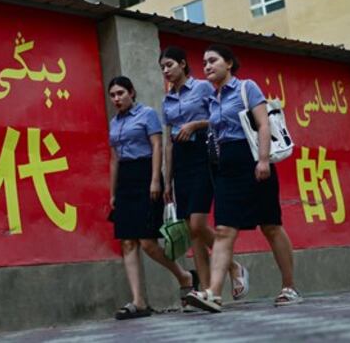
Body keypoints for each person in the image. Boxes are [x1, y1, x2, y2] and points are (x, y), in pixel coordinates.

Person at [186, 45, 302, 313]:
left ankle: (289, 286)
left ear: (229, 63)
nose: (207, 66)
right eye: (204, 62)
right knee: (225, 229)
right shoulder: (212, 99)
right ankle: (214, 293)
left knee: (270, 225)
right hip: (226, 165)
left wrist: (262, 160)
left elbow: (262, 124)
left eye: (213, 60)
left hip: (252, 159)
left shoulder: (246, 87)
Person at [159, 46, 249, 303]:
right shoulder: (167, 99)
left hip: (203, 154)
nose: (166, 71)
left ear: (183, 64)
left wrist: (195, 124)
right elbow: (168, 141)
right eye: (163, 67)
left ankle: (233, 266)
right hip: (181, 159)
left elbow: (220, 117)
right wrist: (168, 178)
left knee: (198, 223)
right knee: (191, 231)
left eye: (170, 65)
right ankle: (207, 292)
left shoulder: (202, 88)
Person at [107, 76, 197, 320]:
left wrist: (156, 180)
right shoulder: (114, 123)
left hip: (146, 172)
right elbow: (114, 159)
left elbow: (157, 146)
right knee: (127, 242)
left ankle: (184, 276)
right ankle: (138, 301)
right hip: (125, 178)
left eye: (120, 93)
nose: (117, 99)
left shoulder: (146, 114)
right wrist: (113, 192)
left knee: (147, 241)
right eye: (113, 95)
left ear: (132, 92)